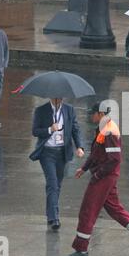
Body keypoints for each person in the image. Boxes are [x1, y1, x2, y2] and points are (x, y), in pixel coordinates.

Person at [63, 102, 129, 256]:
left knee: (88, 210)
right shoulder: (103, 128)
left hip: (104, 177)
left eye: (92, 113)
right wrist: (84, 168)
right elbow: (95, 154)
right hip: (106, 176)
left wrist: (97, 175)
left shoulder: (109, 132)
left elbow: (114, 160)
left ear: (100, 113)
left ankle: (81, 250)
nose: (90, 116)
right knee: (116, 211)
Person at [30, 98, 85, 231]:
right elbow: (35, 131)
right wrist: (49, 129)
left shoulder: (69, 110)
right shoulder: (41, 110)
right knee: (52, 183)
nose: (57, 99)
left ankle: (50, 213)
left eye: (60, 96)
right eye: (55, 96)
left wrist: (79, 146)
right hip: (47, 153)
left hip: (62, 152)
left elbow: (75, 129)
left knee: (57, 185)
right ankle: (54, 217)